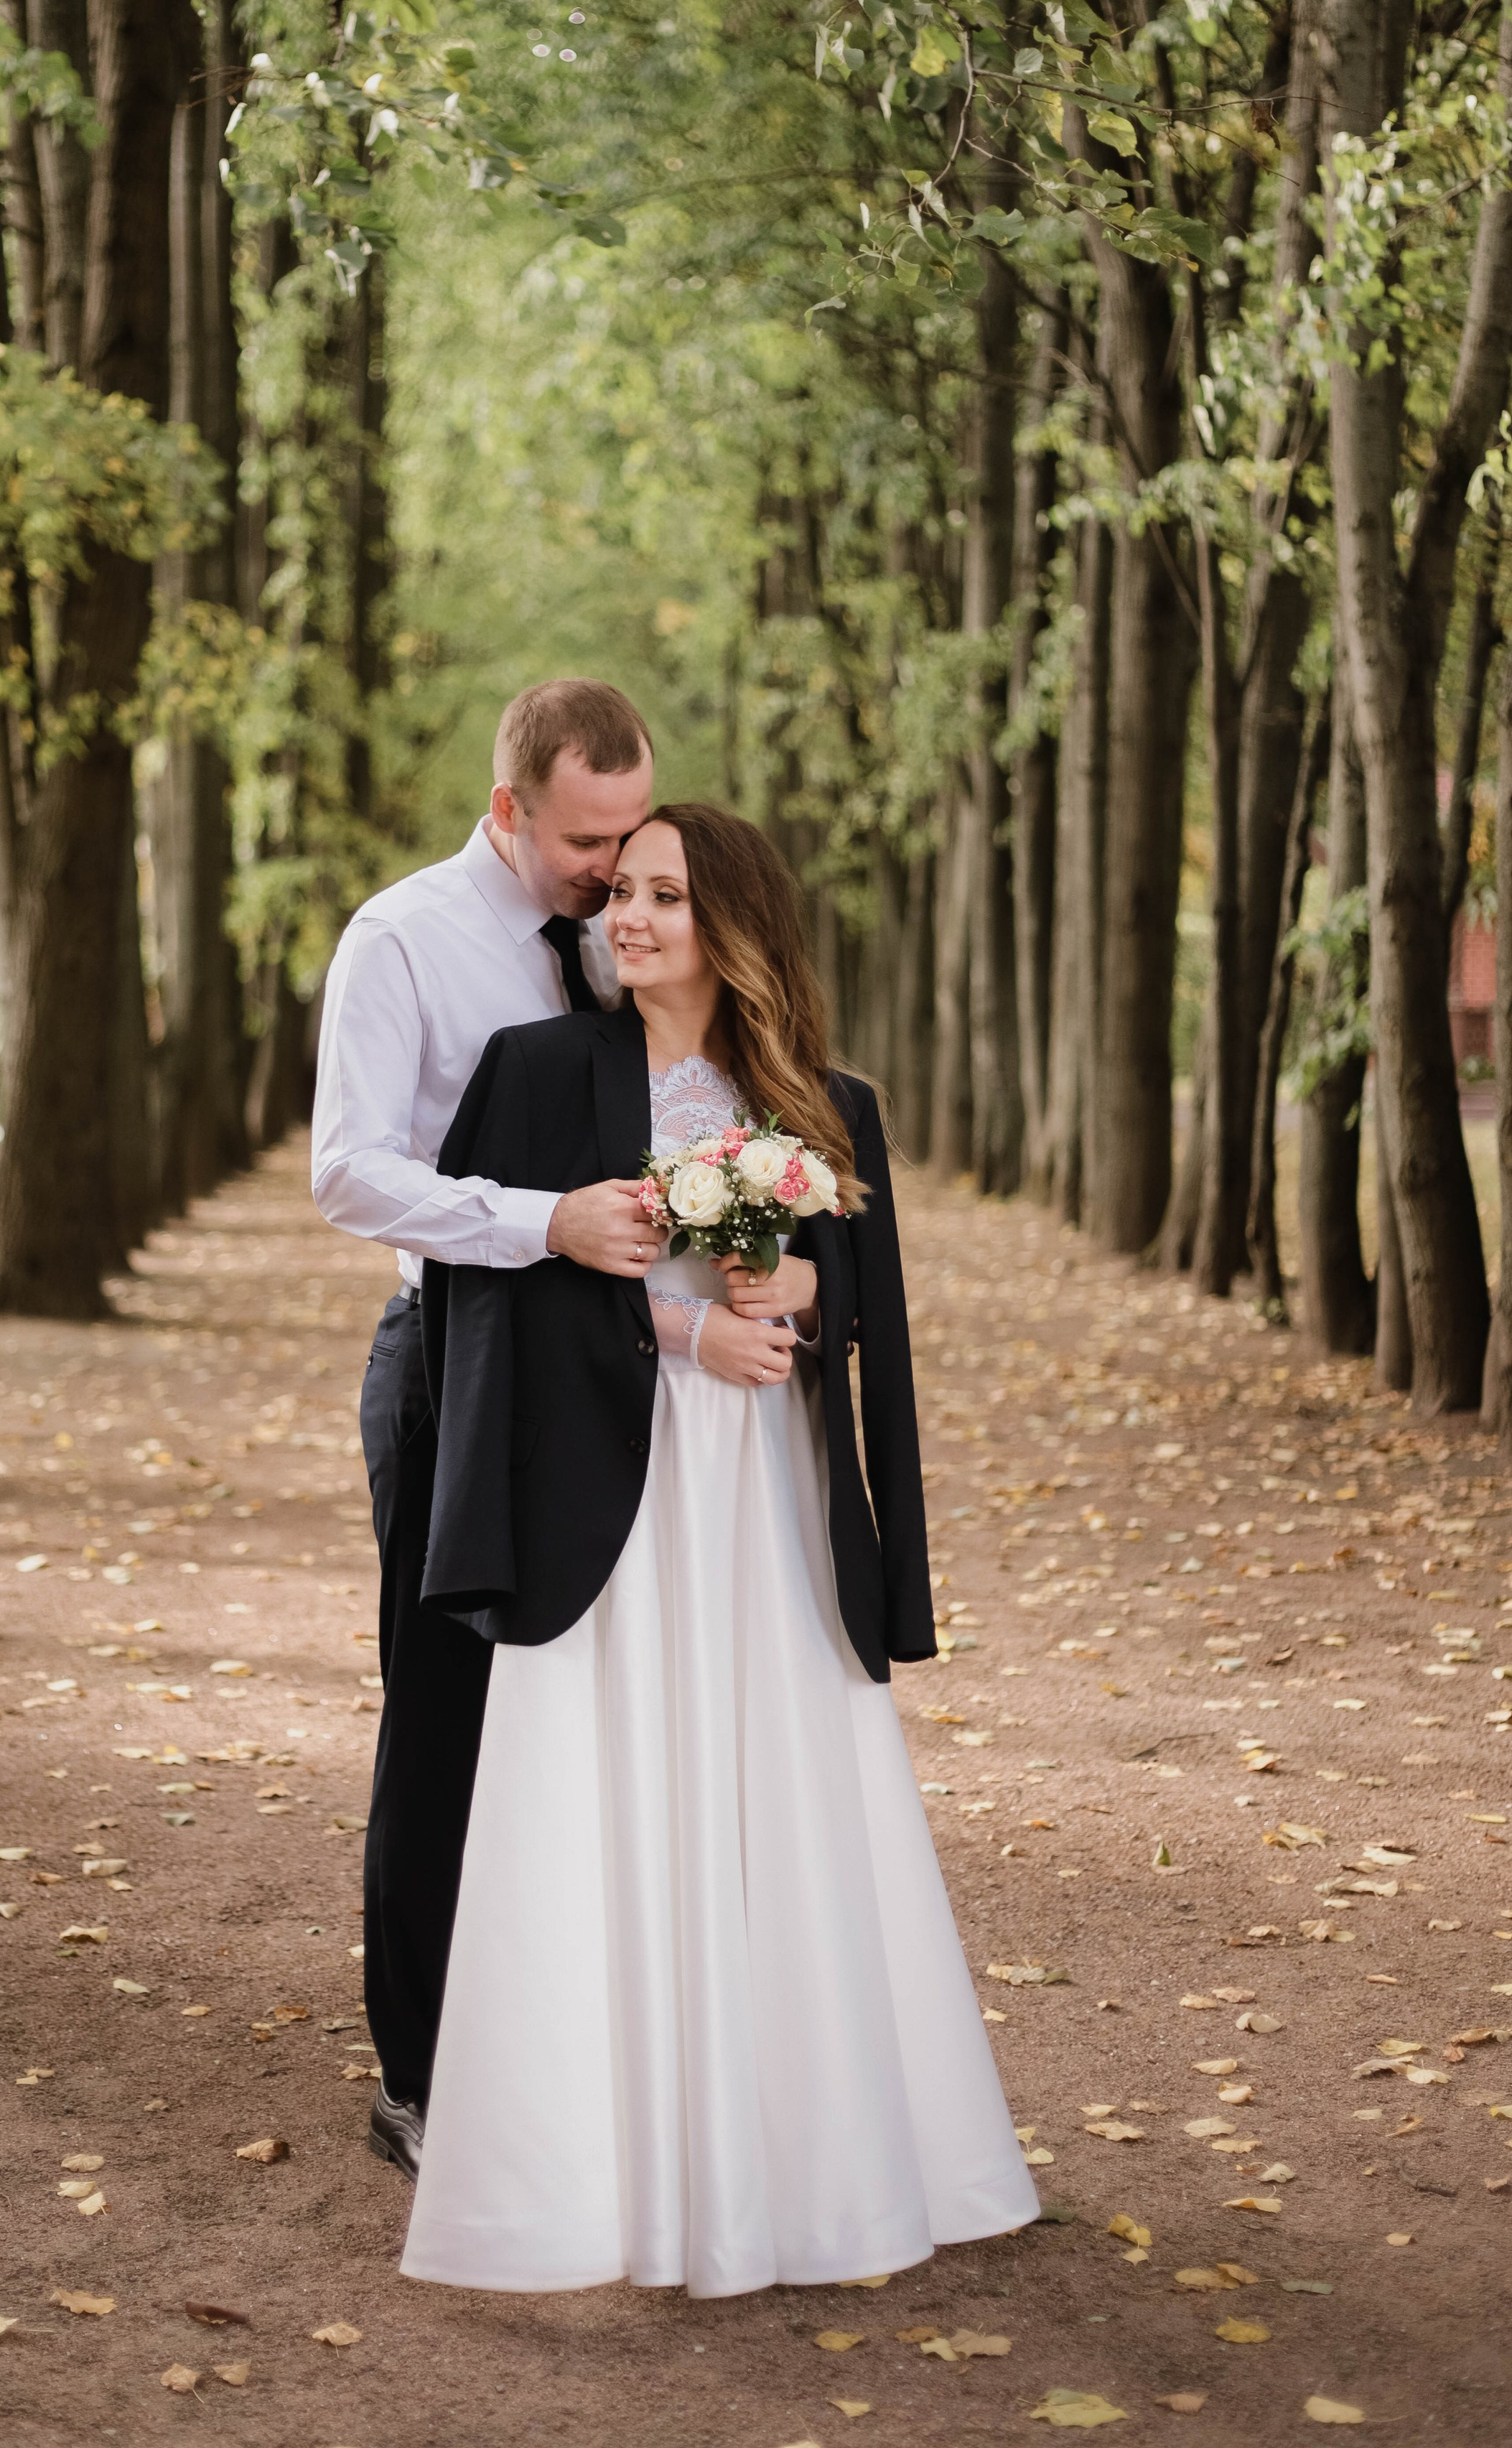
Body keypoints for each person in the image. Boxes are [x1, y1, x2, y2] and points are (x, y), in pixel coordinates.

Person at [400, 803, 1039, 2296]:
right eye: (617, 891)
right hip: (603, 1490)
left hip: (761, 1490)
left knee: (777, 1781)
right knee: (607, 1785)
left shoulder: (826, 1101)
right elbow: (482, 1291)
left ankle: (799, 2161)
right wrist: (682, 1325)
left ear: (731, 922)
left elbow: (860, 1302)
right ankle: (598, 2168)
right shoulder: (532, 1073)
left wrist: (782, 1289)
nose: (626, 918)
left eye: (664, 896)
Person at [310, 679, 666, 2182]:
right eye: (587, 839)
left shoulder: (627, 934)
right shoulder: (401, 941)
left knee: (590, 1720)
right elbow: (347, 1174)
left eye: (628, 832)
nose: (611, 863)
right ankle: (419, 2073)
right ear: (511, 808)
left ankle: (568, 2038)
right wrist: (540, 1224)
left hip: (615, 1370)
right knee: (445, 1713)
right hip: (451, 1364)